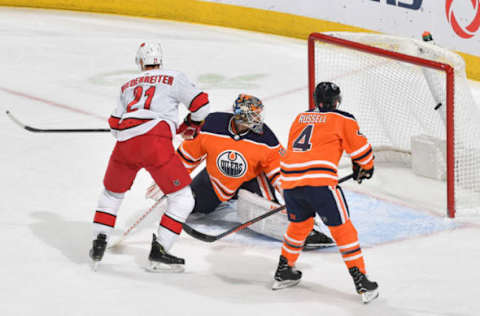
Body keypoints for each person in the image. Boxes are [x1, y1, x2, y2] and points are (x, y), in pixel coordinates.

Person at [147, 94, 334, 248]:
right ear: (240, 117)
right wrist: (169, 179)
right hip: (216, 181)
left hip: (252, 180)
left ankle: (304, 230)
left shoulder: (266, 139)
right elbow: (188, 156)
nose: (258, 121)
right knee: (188, 206)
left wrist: (293, 195)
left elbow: (281, 172)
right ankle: (226, 198)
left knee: (267, 210)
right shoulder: (211, 125)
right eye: (254, 117)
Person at [89, 41, 210, 272]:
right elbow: (202, 107)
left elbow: (115, 126)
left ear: (140, 62)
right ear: (160, 61)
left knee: (112, 194)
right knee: (183, 199)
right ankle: (160, 251)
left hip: (125, 145)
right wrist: (189, 125)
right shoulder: (174, 77)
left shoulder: (127, 85)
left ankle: (99, 241)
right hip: (155, 143)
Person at [271, 82, 379, 304]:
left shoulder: (300, 117)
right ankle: (361, 280)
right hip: (320, 183)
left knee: (299, 226)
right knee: (343, 231)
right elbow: (361, 151)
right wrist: (366, 167)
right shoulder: (343, 118)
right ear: (337, 101)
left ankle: (284, 271)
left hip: (289, 181)